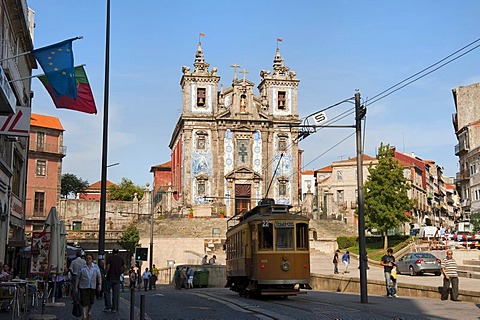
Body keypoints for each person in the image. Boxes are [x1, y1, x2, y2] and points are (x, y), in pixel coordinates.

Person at [76, 254, 102, 320]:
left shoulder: (95, 267)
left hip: (92, 286)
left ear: (92, 259)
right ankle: (84, 315)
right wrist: (76, 286)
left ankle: (89, 312)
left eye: (89, 258)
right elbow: (78, 277)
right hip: (83, 286)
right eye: (87, 258)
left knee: (91, 301)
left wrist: (99, 284)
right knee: (84, 301)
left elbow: (99, 276)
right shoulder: (82, 267)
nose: (88, 260)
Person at [104, 248, 125, 313]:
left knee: (107, 292)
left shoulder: (109, 258)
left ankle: (108, 307)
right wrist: (120, 273)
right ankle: (114, 308)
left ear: (112, 252)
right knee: (115, 294)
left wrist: (105, 273)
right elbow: (125, 267)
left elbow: (108, 267)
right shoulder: (121, 259)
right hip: (117, 278)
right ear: (118, 252)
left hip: (109, 277)